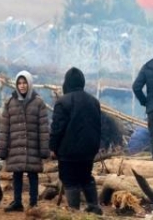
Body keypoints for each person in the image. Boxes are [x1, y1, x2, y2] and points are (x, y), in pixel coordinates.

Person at [49, 67, 103, 215]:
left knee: (70, 181)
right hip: (89, 150)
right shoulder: (94, 101)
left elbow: (57, 128)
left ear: (66, 83)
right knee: (86, 177)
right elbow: (98, 127)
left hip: (69, 152)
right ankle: (94, 207)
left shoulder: (63, 102)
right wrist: (95, 146)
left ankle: (74, 213)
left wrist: (52, 147)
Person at [0, 70, 50, 212]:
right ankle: (17, 202)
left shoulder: (39, 103)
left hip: (33, 145)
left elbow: (44, 128)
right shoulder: (10, 102)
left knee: (33, 174)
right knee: (17, 174)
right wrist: (2, 149)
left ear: (29, 83)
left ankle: (33, 203)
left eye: (24, 82)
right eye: (19, 83)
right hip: (15, 146)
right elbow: (4, 128)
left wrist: (44, 149)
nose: (22, 86)